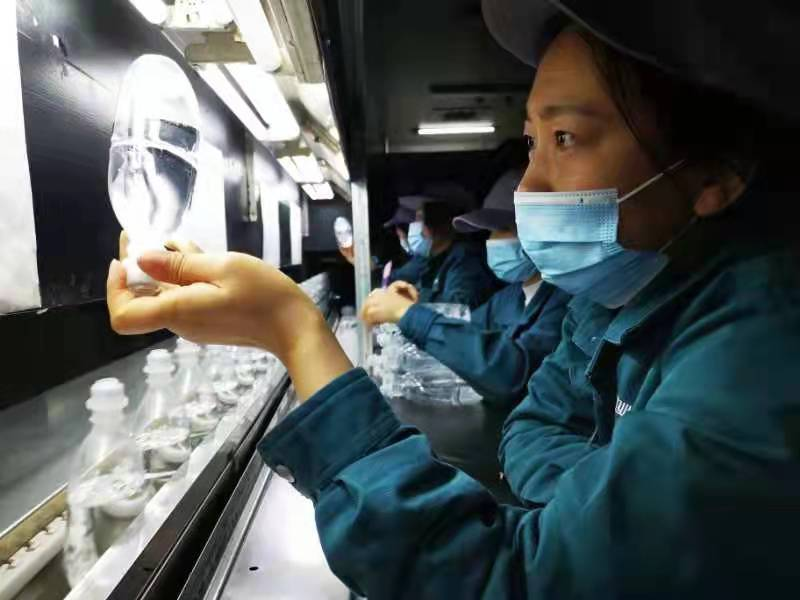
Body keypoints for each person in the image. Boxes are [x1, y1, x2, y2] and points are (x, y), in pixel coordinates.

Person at [106, 1, 800, 597]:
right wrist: (591, 492)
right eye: (532, 142)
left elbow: (512, 580)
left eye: (566, 138)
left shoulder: (764, 359)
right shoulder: (616, 300)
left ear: (716, 172)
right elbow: (531, 424)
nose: (530, 188)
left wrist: (296, 332)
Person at [361, 169, 570, 407]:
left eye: (502, 229)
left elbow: (511, 375)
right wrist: (415, 306)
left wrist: (409, 314)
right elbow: (464, 327)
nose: (491, 240)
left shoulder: (564, 301)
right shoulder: (512, 296)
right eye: (490, 231)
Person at [394, 198, 500, 309]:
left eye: (420, 219)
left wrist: (413, 297)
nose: (415, 226)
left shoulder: (465, 259)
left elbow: (459, 307)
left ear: (436, 224)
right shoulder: (432, 257)